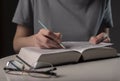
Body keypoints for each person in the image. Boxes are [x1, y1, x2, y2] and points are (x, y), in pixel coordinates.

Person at [12, 0, 113, 53]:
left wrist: (103, 40)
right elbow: (16, 44)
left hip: (89, 71)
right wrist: (35, 41)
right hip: (46, 70)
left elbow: (104, 36)